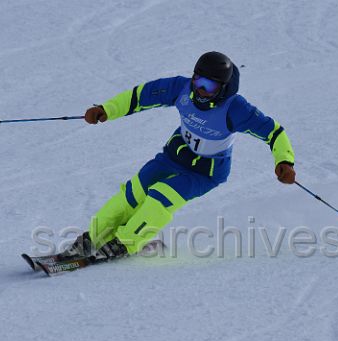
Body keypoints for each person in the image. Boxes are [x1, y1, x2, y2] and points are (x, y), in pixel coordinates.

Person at [68, 51, 296, 259]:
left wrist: (285, 161)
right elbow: (141, 96)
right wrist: (107, 109)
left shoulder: (236, 109)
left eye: (209, 85)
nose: (200, 90)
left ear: (223, 88)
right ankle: (92, 238)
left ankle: (125, 243)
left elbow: (274, 132)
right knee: (134, 192)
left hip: (204, 173)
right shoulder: (182, 88)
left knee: (161, 195)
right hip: (173, 157)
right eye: (198, 80)